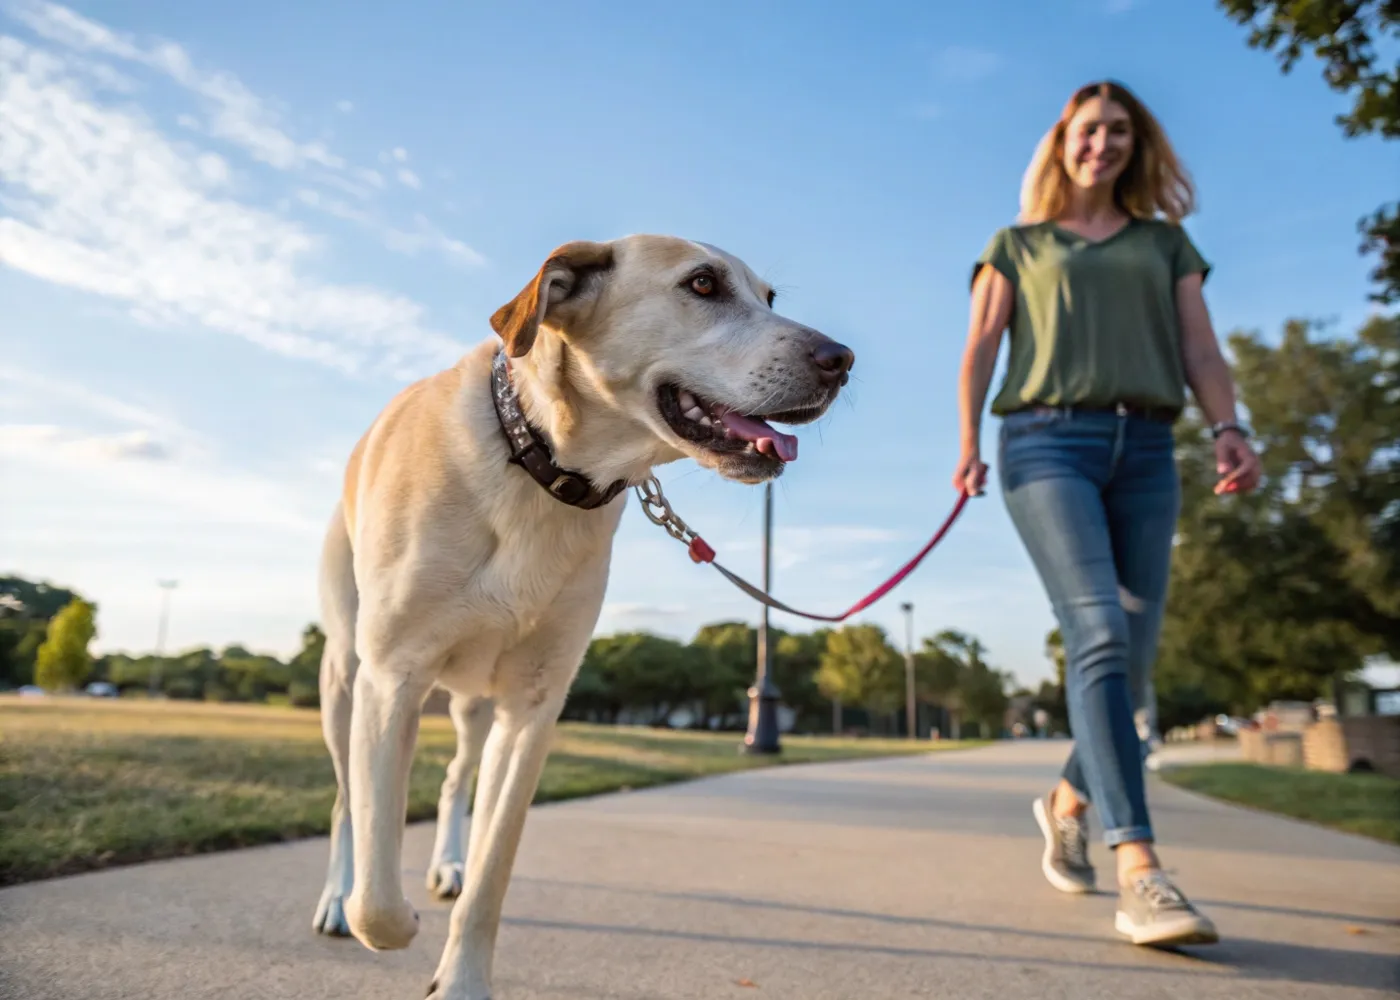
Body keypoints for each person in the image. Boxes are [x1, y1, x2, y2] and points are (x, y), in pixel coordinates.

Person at [953, 79, 1261, 948]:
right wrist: (968, 442)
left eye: (1121, 130)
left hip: (1151, 450)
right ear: (1063, 140)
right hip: (1045, 443)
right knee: (1097, 633)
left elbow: (1201, 346)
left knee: (1137, 659)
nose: (1106, 143)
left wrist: (1229, 427)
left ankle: (1067, 801)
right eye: (1091, 129)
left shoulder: (1166, 242)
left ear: (1138, 144)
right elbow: (981, 346)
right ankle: (1142, 870)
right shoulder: (1016, 242)